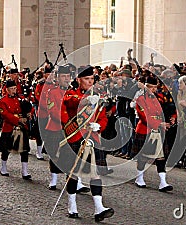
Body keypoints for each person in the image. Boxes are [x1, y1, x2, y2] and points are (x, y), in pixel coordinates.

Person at [60, 66, 114, 221]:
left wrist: (99, 126)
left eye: (92, 79)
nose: (90, 82)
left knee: (95, 174)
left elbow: (102, 117)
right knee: (73, 174)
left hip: (92, 139)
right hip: (75, 137)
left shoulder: (97, 97)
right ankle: (72, 205)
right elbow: (68, 102)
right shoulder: (71, 93)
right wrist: (84, 100)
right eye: (86, 79)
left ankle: (99, 208)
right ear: (79, 80)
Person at [131, 76, 173, 192]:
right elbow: (144, 117)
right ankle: (139, 178)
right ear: (146, 86)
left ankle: (163, 182)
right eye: (151, 87)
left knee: (161, 157)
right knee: (143, 156)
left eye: (155, 87)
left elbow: (167, 110)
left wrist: (172, 118)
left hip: (159, 131)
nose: (154, 90)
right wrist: (160, 124)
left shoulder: (159, 98)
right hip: (145, 130)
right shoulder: (140, 99)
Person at [0, 80, 32, 180]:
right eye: (11, 89)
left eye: (15, 88)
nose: (14, 90)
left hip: (22, 127)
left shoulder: (20, 98)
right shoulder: (3, 101)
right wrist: (18, 119)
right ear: (7, 90)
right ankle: (3, 167)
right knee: (6, 149)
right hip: (9, 127)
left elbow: (28, 107)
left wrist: (28, 114)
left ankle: (24, 171)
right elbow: (5, 115)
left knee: (24, 150)